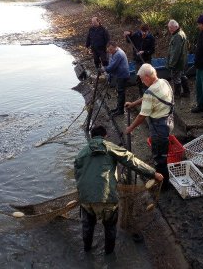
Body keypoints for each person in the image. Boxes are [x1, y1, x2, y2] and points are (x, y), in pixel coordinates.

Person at [74, 125, 163, 254]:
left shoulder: (81, 153)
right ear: (104, 136)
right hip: (108, 197)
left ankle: (87, 250)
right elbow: (130, 160)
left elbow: (78, 176)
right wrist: (153, 174)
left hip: (86, 199)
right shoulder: (109, 146)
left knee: (87, 226)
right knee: (110, 227)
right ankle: (109, 254)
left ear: (92, 137)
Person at [125, 64, 173, 187]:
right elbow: (148, 97)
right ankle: (161, 177)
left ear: (147, 77)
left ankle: (163, 185)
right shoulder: (163, 82)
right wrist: (134, 103)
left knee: (159, 157)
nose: (141, 81)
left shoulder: (150, 93)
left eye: (141, 78)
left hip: (159, 128)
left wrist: (130, 128)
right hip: (168, 120)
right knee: (162, 153)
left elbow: (142, 116)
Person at [123, 24, 155, 95]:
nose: (144, 33)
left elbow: (152, 50)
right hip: (138, 60)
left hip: (146, 60)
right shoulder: (136, 35)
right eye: (142, 31)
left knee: (147, 77)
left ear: (148, 31)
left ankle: (149, 93)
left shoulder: (151, 38)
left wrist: (144, 52)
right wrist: (128, 33)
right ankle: (141, 93)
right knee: (139, 77)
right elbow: (129, 39)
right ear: (140, 30)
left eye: (145, 32)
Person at [103, 42, 130, 116]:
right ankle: (118, 108)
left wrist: (104, 70)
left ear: (116, 47)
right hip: (118, 75)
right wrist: (109, 75)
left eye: (111, 50)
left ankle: (121, 111)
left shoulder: (119, 54)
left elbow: (112, 66)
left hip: (123, 75)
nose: (110, 51)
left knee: (121, 93)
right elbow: (110, 64)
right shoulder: (112, 53)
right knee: (118, 92)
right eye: (109, 50)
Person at [166, 19, 190, 98]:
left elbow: (175, 52)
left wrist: (171, 64)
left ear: (176, 26)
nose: (170, 29)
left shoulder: (177, 36)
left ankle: (177, 94)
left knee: (176, 77)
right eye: (169, 28)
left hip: (177, 62)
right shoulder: (181, 33)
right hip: (182, 61)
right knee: (182, 75)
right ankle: (186, 92)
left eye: (171, 28)